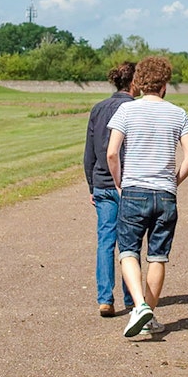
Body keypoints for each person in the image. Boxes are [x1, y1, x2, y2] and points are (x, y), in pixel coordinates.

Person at [106, 56, 188, 338]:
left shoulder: (126, 111)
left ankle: (140, 306)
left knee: (128, 252)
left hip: (134, 189)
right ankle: (147, 316)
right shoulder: (178, 113)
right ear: (165, 83)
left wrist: (120, 183)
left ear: (139, 82)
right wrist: (174, 181)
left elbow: (112, 153)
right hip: (165, 194)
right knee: (158, 256)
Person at [83, 61, 137, 317]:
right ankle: (131, 296)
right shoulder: (134, 108)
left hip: (102, 182)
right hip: (127, 183)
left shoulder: (99, 108)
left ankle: (105, 297)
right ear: (135, 82)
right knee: (129, 243)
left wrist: (92, 185)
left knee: (106, 240)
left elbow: (89, 152)